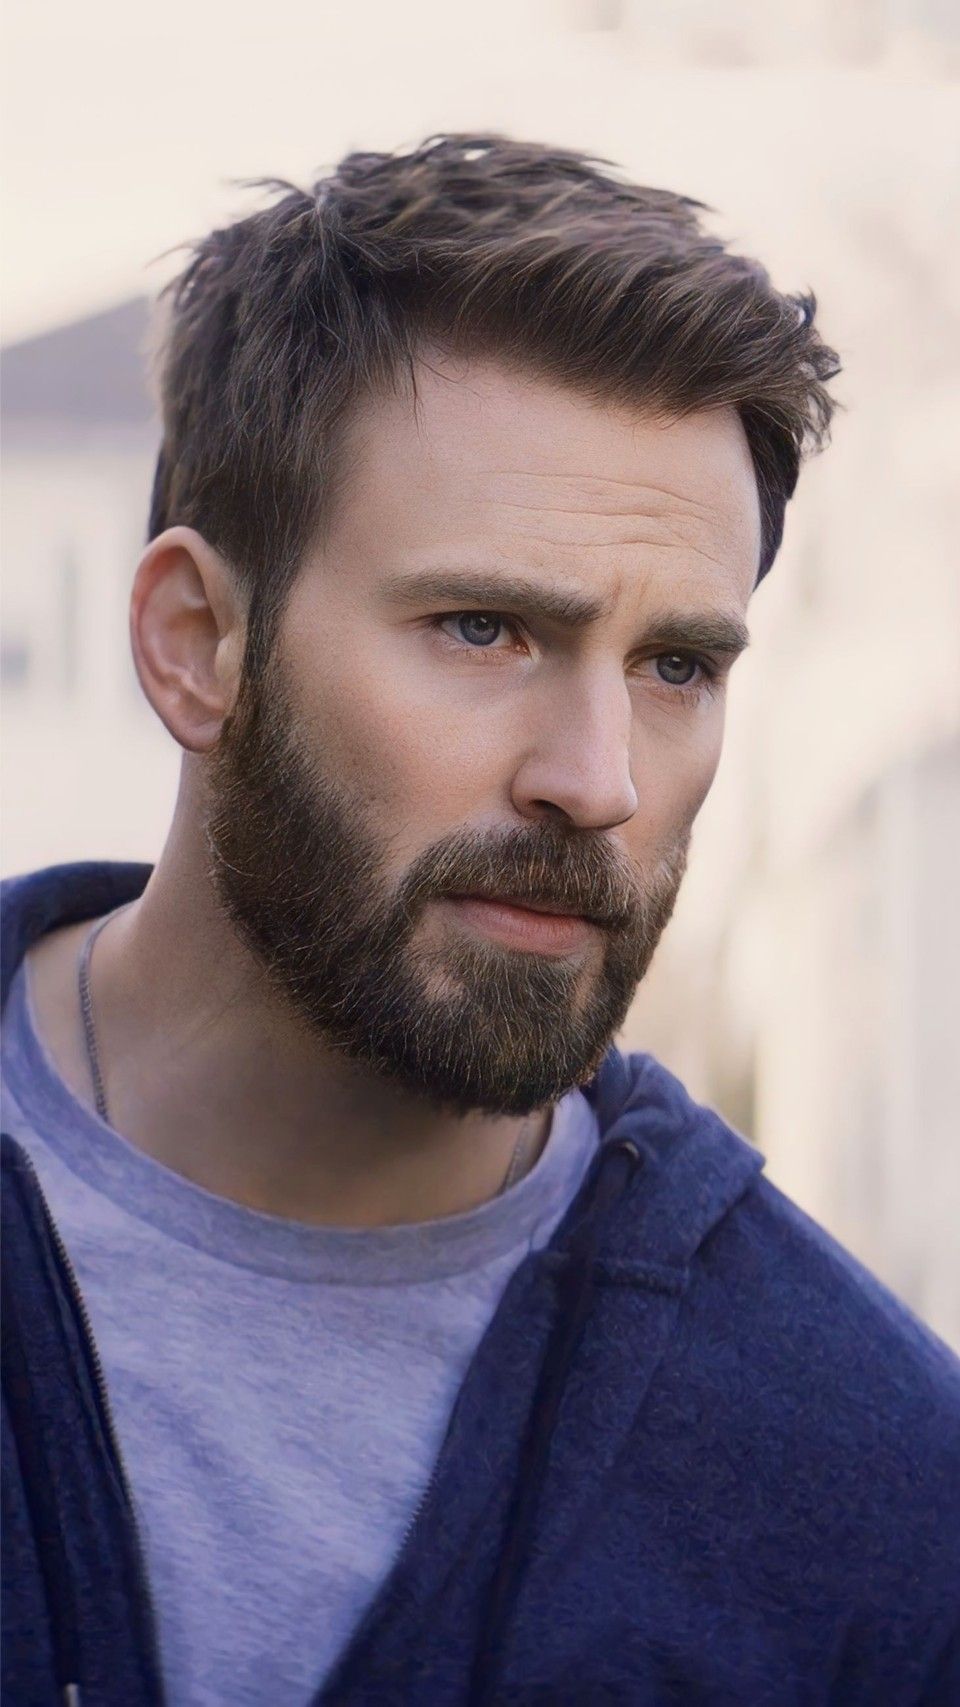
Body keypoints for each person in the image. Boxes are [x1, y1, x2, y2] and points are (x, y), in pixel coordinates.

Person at [2, 132, 957, 1707]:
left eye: (677, 668)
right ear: (195, 644)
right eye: (484, 628)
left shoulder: (875, 1497)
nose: (598, 781)